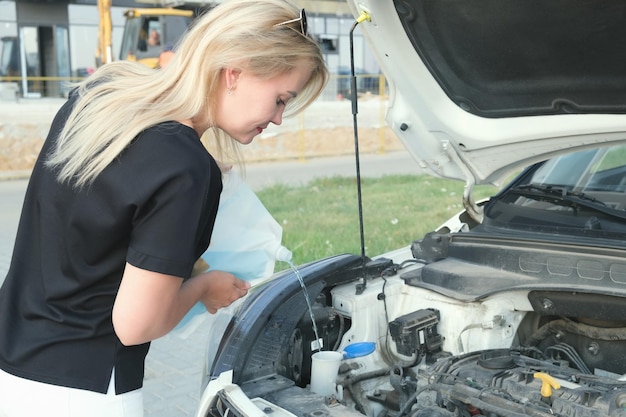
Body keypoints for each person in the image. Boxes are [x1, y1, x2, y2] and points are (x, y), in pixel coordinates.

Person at [0, 0, 328, 416]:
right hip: (86, 391)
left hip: (15, 369)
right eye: (281, 99)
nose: (279, 118)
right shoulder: (183, 167)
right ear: (235, 72)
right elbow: (136, 324)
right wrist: (205, 288)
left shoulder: (101, 96)